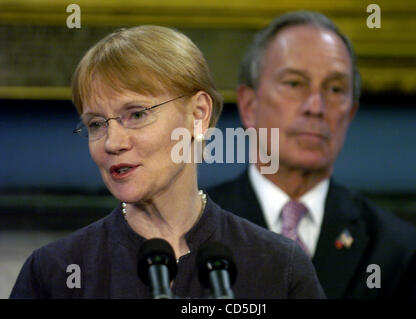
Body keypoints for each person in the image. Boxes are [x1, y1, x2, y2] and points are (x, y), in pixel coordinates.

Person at [9, 25, 325, 299]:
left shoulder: (278, 267)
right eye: (95, 124)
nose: (113, 142)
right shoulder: (53, 273)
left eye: (136, 114)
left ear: (198, 114)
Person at [208, 11, 416, 298]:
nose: (316, 106)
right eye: (294, 83)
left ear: (350, 114)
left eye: (335, 89)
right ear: (248, 105)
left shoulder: (398, 251)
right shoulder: (190, 229)